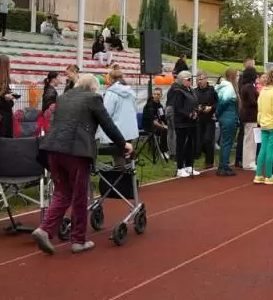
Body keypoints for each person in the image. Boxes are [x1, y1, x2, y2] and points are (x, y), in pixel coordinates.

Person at [31, 73, 132, 255]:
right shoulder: (93, 98)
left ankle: (44, 229)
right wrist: (123, 144)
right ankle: (78, 240)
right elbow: (108, 124)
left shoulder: (63, 98)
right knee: (79, 195)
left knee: (62, 192)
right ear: (93, 87)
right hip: (76, 152)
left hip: (52, 149)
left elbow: (54, 123)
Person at [96, 68, 139, 167]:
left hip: (116, 131)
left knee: (118, 157)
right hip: (129, 130)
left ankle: (122, 176)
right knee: (128, 155)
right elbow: (135, 109)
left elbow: (106, 113)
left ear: (111, 79)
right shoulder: (130, 92)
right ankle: (130, 175)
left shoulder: (111, 93)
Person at [168, 70, 201, 177]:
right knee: (181, 145)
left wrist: (196, 111)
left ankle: (189, 166)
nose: (190, 81)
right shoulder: (178, 91)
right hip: (181, 123)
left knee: (190, 145)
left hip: (192, 122)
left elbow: (194, 103)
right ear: (182, 80)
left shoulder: (191, 90)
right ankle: (180, 168)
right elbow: (177, 108)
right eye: (188, 79)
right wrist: (189, 114)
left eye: (191, 79)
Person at [214, 68, 240, 176]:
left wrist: (218, 114)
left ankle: (223, 165)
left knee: (225, 142)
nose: (238, 78)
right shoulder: (229, 87)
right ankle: (223, 167)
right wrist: (217, 114)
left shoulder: (224, 87)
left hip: (226, 117)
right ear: (233, 76)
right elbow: (223, 102)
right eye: (237, 75)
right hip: (229, 117)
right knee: (227, 143)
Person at [194, 73, 217, 169]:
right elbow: (192, 105)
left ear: (206, 79)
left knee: (208, 139)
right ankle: (202, 156)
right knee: (199, 141)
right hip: (199, 120)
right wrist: (197, 108)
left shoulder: (212, 90)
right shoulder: (195, 91)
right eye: (198, 79)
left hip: (209, 119)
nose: (200, 81)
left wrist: (211, 108)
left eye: (202, 79)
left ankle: (209, 162)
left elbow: (218, 103)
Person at [143, 87, 170, 161]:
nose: (156, 96)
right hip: (149, 126)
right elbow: (153, 121)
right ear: (152, 95)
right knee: (164, 130)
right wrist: (163, 126)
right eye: (154, 94)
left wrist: (166, 124)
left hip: (157, 125)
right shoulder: (149, 105)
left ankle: (168, 149)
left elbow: (162, 117)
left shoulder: (160, 106)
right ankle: (162, 151)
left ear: (161, 95)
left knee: (170, 129)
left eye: (158, 94)